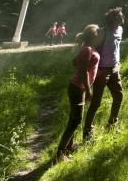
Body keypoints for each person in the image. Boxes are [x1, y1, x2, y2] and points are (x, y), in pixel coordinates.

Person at [55, 24, 103, 162]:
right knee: (75, 121)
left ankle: (68, 148)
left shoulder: (89, 49)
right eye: (98, 32)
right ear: (94, 35)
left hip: (77, 87)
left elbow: (75, 63)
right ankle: (60, 154)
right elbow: (82, 71)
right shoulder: (87, 49)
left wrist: (93, 72)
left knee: (74, 119)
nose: (100, 34)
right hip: (77, 88)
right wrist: (89, 90)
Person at [83, 7, 125, 140]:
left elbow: (116, 48)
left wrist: (117, 63)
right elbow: (91, 49)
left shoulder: (120, 29)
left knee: (118, 96)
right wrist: (95, 69)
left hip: (114, 70)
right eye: (119, 17)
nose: (122, 18)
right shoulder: (102, 32)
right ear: (112, 19)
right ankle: (87, 133)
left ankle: (112, 124)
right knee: (96, 103)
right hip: (102, 71)